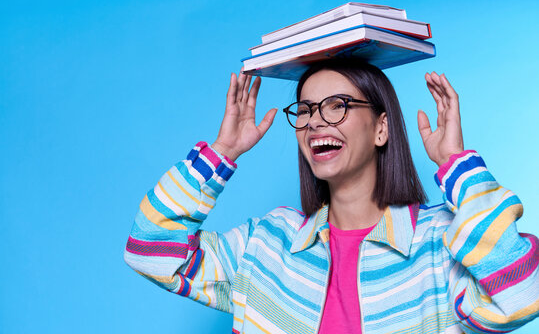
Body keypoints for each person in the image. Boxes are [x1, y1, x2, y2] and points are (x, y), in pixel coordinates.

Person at [124, 59, 538, 334]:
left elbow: (524, 291)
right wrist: (221, 154)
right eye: (305, 110)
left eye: (337, 105)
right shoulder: (267, 244)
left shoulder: (438, 243)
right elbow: (150, 253)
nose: (316, 121)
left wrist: (457, 164)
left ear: (381, 128)